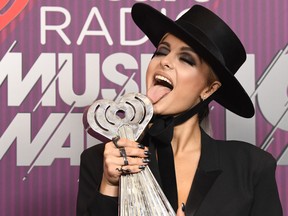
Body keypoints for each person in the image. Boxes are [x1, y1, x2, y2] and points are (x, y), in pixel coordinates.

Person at [76, 3, 283, 216]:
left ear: (209, 89)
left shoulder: (251, 167)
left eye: (185, 59)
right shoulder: (102, 160)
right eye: (161, 51)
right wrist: (109, 185)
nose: (164, 61)